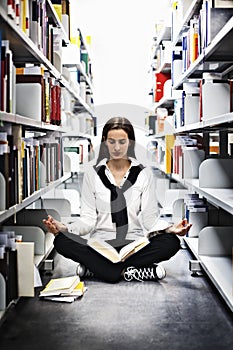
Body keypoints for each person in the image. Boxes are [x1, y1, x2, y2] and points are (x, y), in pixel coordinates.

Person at [43, 117, 192, 283]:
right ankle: (130, 271)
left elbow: (150, 219)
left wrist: (171, 229)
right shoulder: (93, 174)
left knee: (171, 242)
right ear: (105, 142)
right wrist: (64, 228)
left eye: (122, 142)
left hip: (134, 245)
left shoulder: (143, 174)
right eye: (111, 142)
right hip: (100, 246)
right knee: (61, 241)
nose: (117, 147)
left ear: (131, 143)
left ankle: (99, 270)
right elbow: (87, 220)